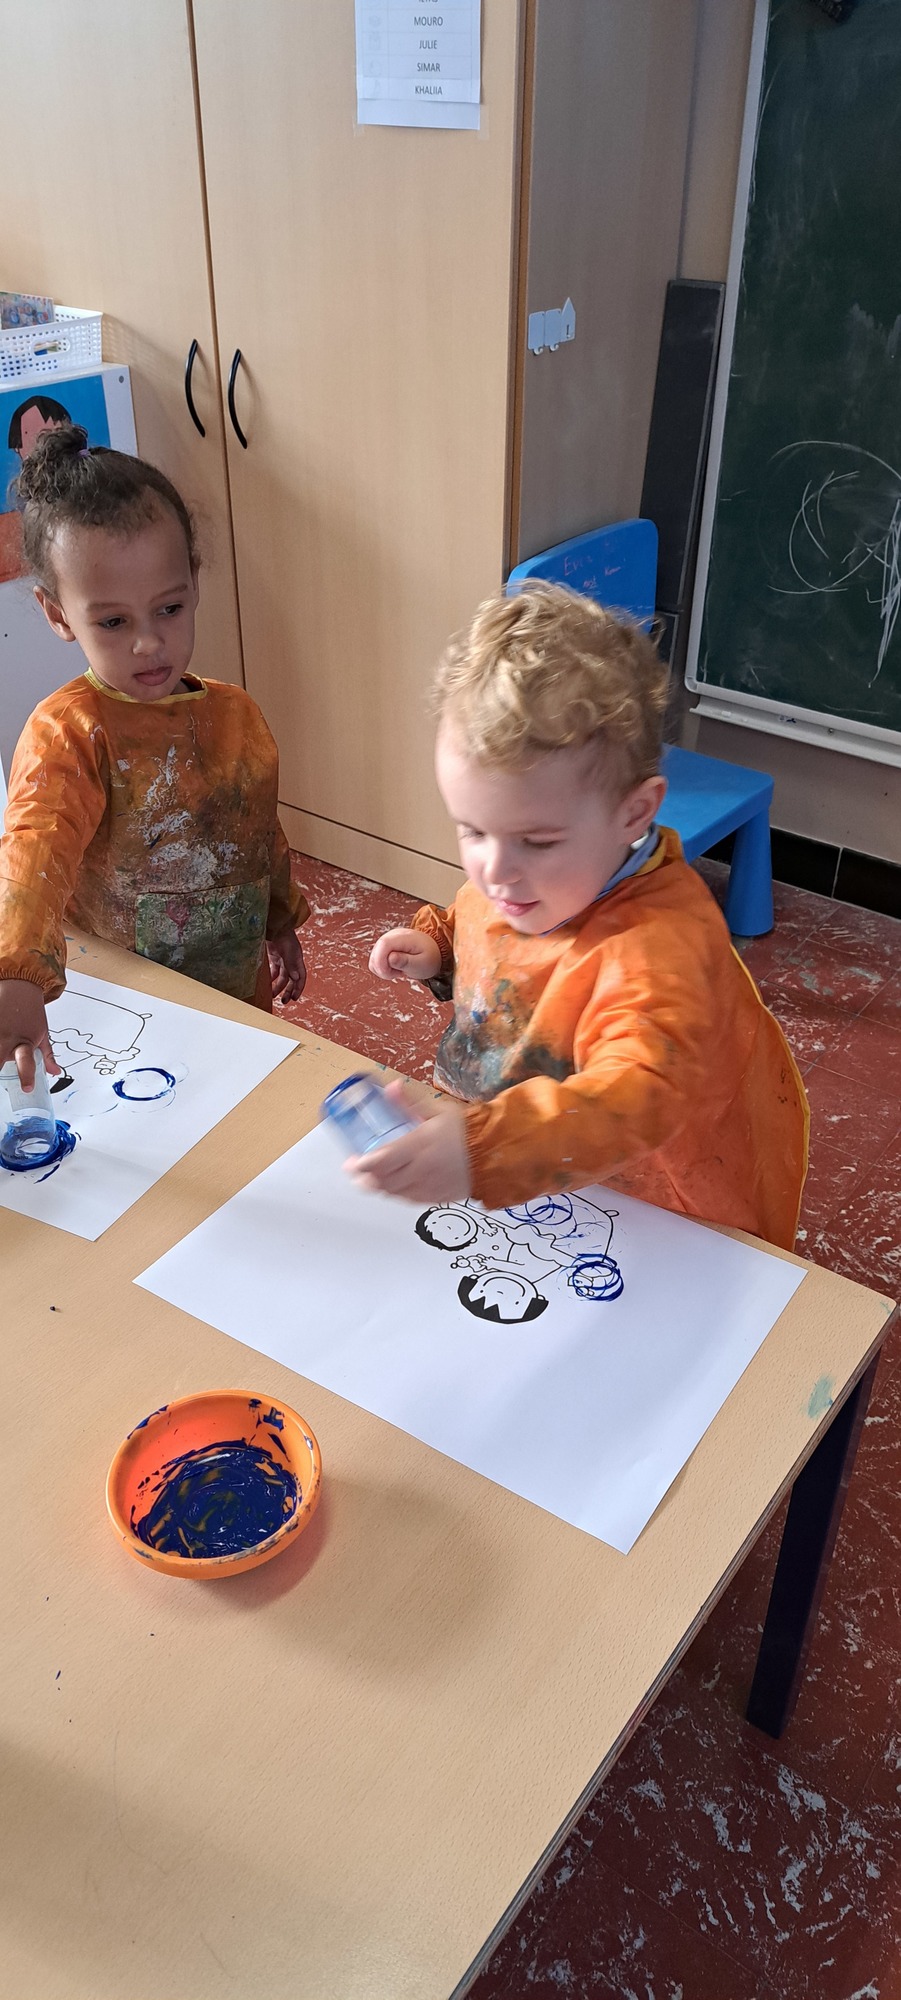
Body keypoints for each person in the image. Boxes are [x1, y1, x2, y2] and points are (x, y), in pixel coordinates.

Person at [363, 584, 808, 1251]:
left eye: (537, 841)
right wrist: (438, 947)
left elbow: (638, 1090)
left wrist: (483, 1150)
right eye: (471, 830)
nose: (495, 870)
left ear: (634, 813)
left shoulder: (660, 948)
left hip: (661, 1194)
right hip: (532, 1164)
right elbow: (478, 918)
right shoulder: (530, 880)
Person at [0, 424, 308, 1085]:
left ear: (193, 581)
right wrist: (15, 972)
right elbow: (34, 850)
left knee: (243, 1099)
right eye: (113, 622)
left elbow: (260, 838)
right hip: (135, 1011)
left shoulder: (238, 716)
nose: (148, 643)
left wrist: (282, 922)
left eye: (168, 608)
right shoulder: (70, 732)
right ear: (58, 614)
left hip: (238, 987)